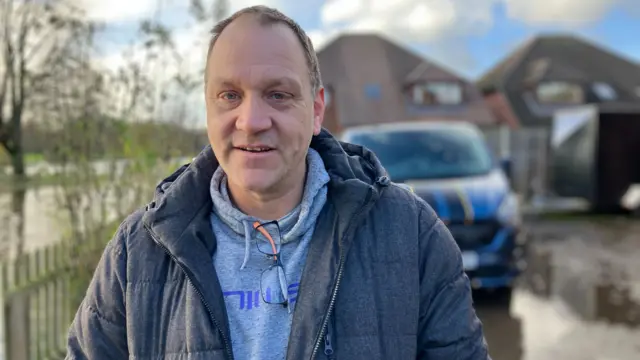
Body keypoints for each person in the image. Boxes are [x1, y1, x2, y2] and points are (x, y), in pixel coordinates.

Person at [66, 5, 490, 360]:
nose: (251, 121)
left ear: (317, 109)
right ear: (208, 109)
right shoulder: (136, 253)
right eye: (229, 95)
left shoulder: (413, 235)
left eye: (278, 94)